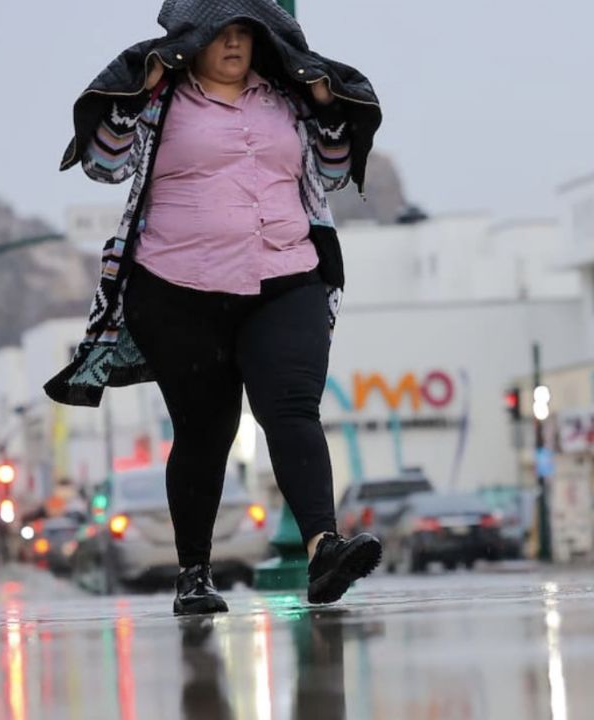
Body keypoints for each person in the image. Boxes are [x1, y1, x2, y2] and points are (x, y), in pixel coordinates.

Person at [45, 11, 383, 615]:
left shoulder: (286, 96)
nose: (233, 41)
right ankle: (194, 573)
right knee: (206, 431)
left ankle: (323, 549)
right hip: (179, 289)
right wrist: (137, 89)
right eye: (220, 30)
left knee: (291, 407)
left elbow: (331, 172)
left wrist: (330, 107)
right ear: (193, 40)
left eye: (245, 30)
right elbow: (105, 164)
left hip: (288, 277)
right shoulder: (163, 97)